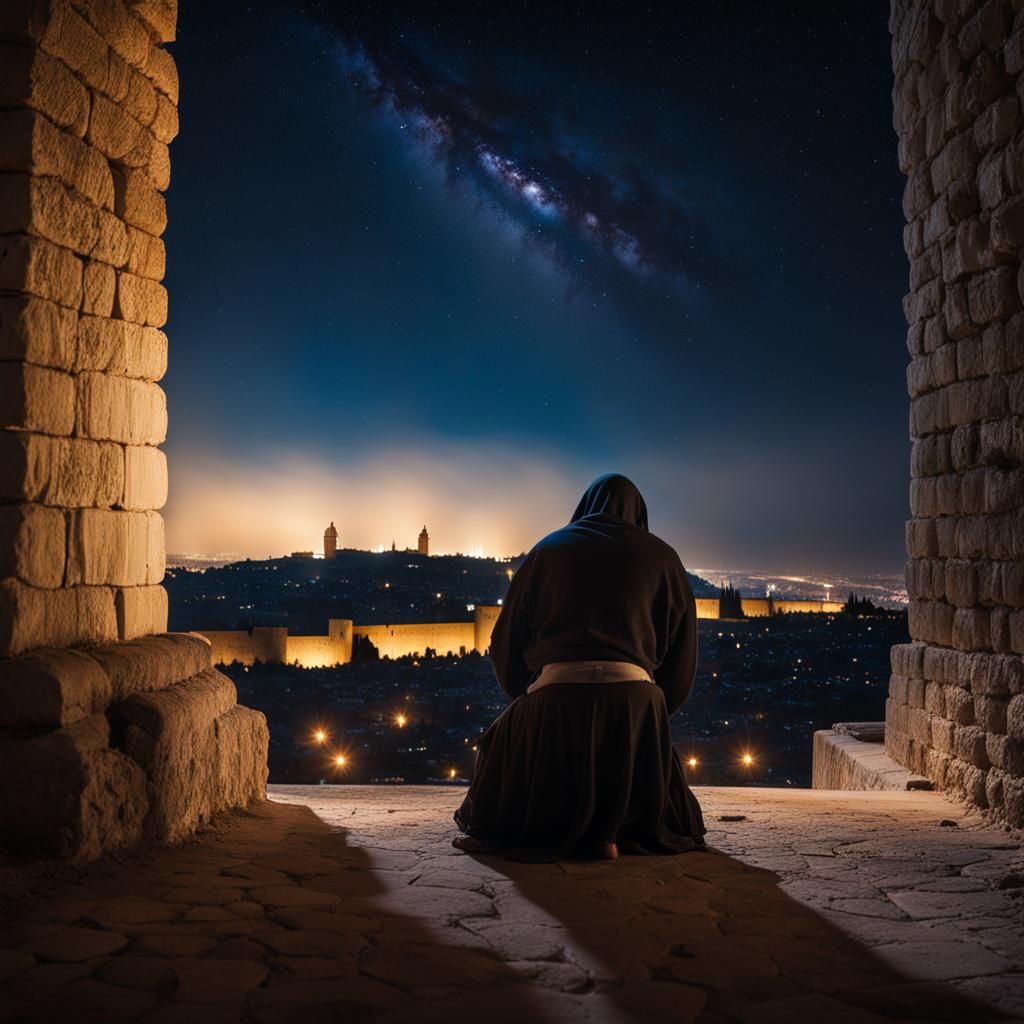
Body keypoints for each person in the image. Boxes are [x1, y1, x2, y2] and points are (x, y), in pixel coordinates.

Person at [453, 473, 705, 859]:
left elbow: (505, 640)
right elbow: (683, 654)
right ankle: (614, 832)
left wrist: (525, 696)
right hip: (637, 699)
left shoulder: (548, 550)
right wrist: (654, 712)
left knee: (499, 746)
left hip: (556, 694)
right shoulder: (665, 559)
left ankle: (557, 828)